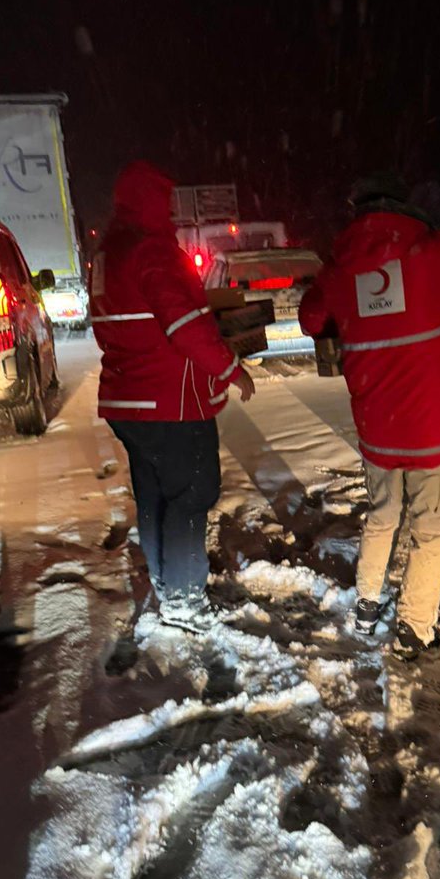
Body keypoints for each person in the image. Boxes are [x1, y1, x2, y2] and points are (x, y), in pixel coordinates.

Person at [299, 172, 440, 660]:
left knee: (382, 515)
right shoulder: (434, 250)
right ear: (405, 206)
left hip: (380, 423)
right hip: (437, 426)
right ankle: (415, 627)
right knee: (433, 530)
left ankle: (366, 603)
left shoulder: (340, 267)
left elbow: (310, 319)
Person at [91, 161, 255, 633]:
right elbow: (186, 327)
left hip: (129, 401)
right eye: (163, 201)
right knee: (192, 491)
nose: (168, 212)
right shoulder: (153, 251)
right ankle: (184, 597)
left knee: (155, 495)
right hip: (172, 402)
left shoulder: (108, 254)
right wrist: (231, 369)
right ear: (151, 202)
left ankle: (167, 583)